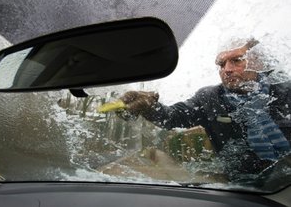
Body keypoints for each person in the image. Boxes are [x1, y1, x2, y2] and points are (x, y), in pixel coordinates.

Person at [118, 38, 291, 179]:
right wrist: (149, 106)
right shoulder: (209, 98)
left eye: (236, 60)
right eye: (221, 64)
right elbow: (172, 116)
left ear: (258, 62)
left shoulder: (286, 89)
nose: (227, 70)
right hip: (246, 188)